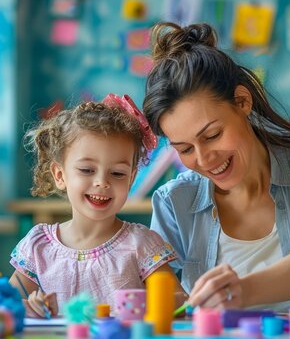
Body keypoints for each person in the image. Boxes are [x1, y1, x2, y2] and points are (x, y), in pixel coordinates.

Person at [143, 22, 290, 312]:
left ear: (242, 101)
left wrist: (241, 291)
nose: (204, 159)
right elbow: (168, 305)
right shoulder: (173, 202)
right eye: (184, 149)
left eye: (212, 136)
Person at [9, 94, 186, 318]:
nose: (102, 182)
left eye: (117, 173)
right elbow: (7, 304)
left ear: (131, 179)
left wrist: (155, 304)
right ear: (60, 174)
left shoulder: (140, 244)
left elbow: (180, 304)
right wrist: (31, 305)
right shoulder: (38, 246)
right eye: (87, 170)